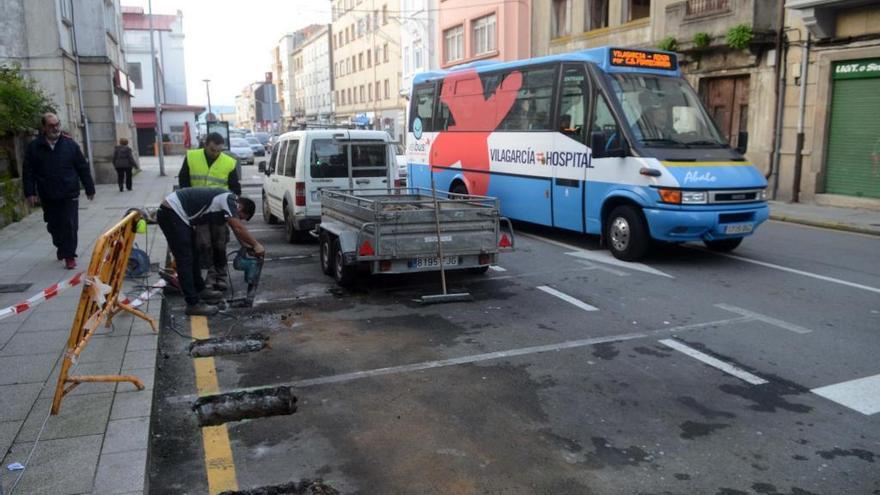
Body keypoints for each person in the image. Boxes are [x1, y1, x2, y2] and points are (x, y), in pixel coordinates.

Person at [157, 187, 264, 316]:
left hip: (179, 216)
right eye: (241, 217)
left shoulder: (227, 202)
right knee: (185, 259)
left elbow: (235, 228)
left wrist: (246, 246)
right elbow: (238, 227)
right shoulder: (229, 200)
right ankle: (192, 304)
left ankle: (200, 290)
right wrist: (256, 244)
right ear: (240, 207)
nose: (238, 218)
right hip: (172, 213)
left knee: (194, 255)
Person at [23, 113, 96, 269]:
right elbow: (28, 172)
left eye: (57, 124)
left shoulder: (70, 145)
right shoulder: (35, 147)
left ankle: (69, 255)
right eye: (51, 125)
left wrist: (89, 188)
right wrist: (30, 193)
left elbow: (82, 168)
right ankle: (61, 246)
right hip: (47, 193)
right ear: (44, 127)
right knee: (54, 225)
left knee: (70, 225)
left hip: (69, 192)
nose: (55, 128)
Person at [178, 132, 241, 292]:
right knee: (203, 245)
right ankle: (208, 278)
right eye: (213, 150)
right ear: (206, 145)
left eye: (219, 150)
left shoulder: (229, 162)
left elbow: (235, 188)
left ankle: (221, 277)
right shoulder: (192, 157)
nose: (216, 153)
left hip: (219, 213)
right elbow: (183, 181)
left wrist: (230, 204)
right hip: (198, 212)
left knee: (219, 244)